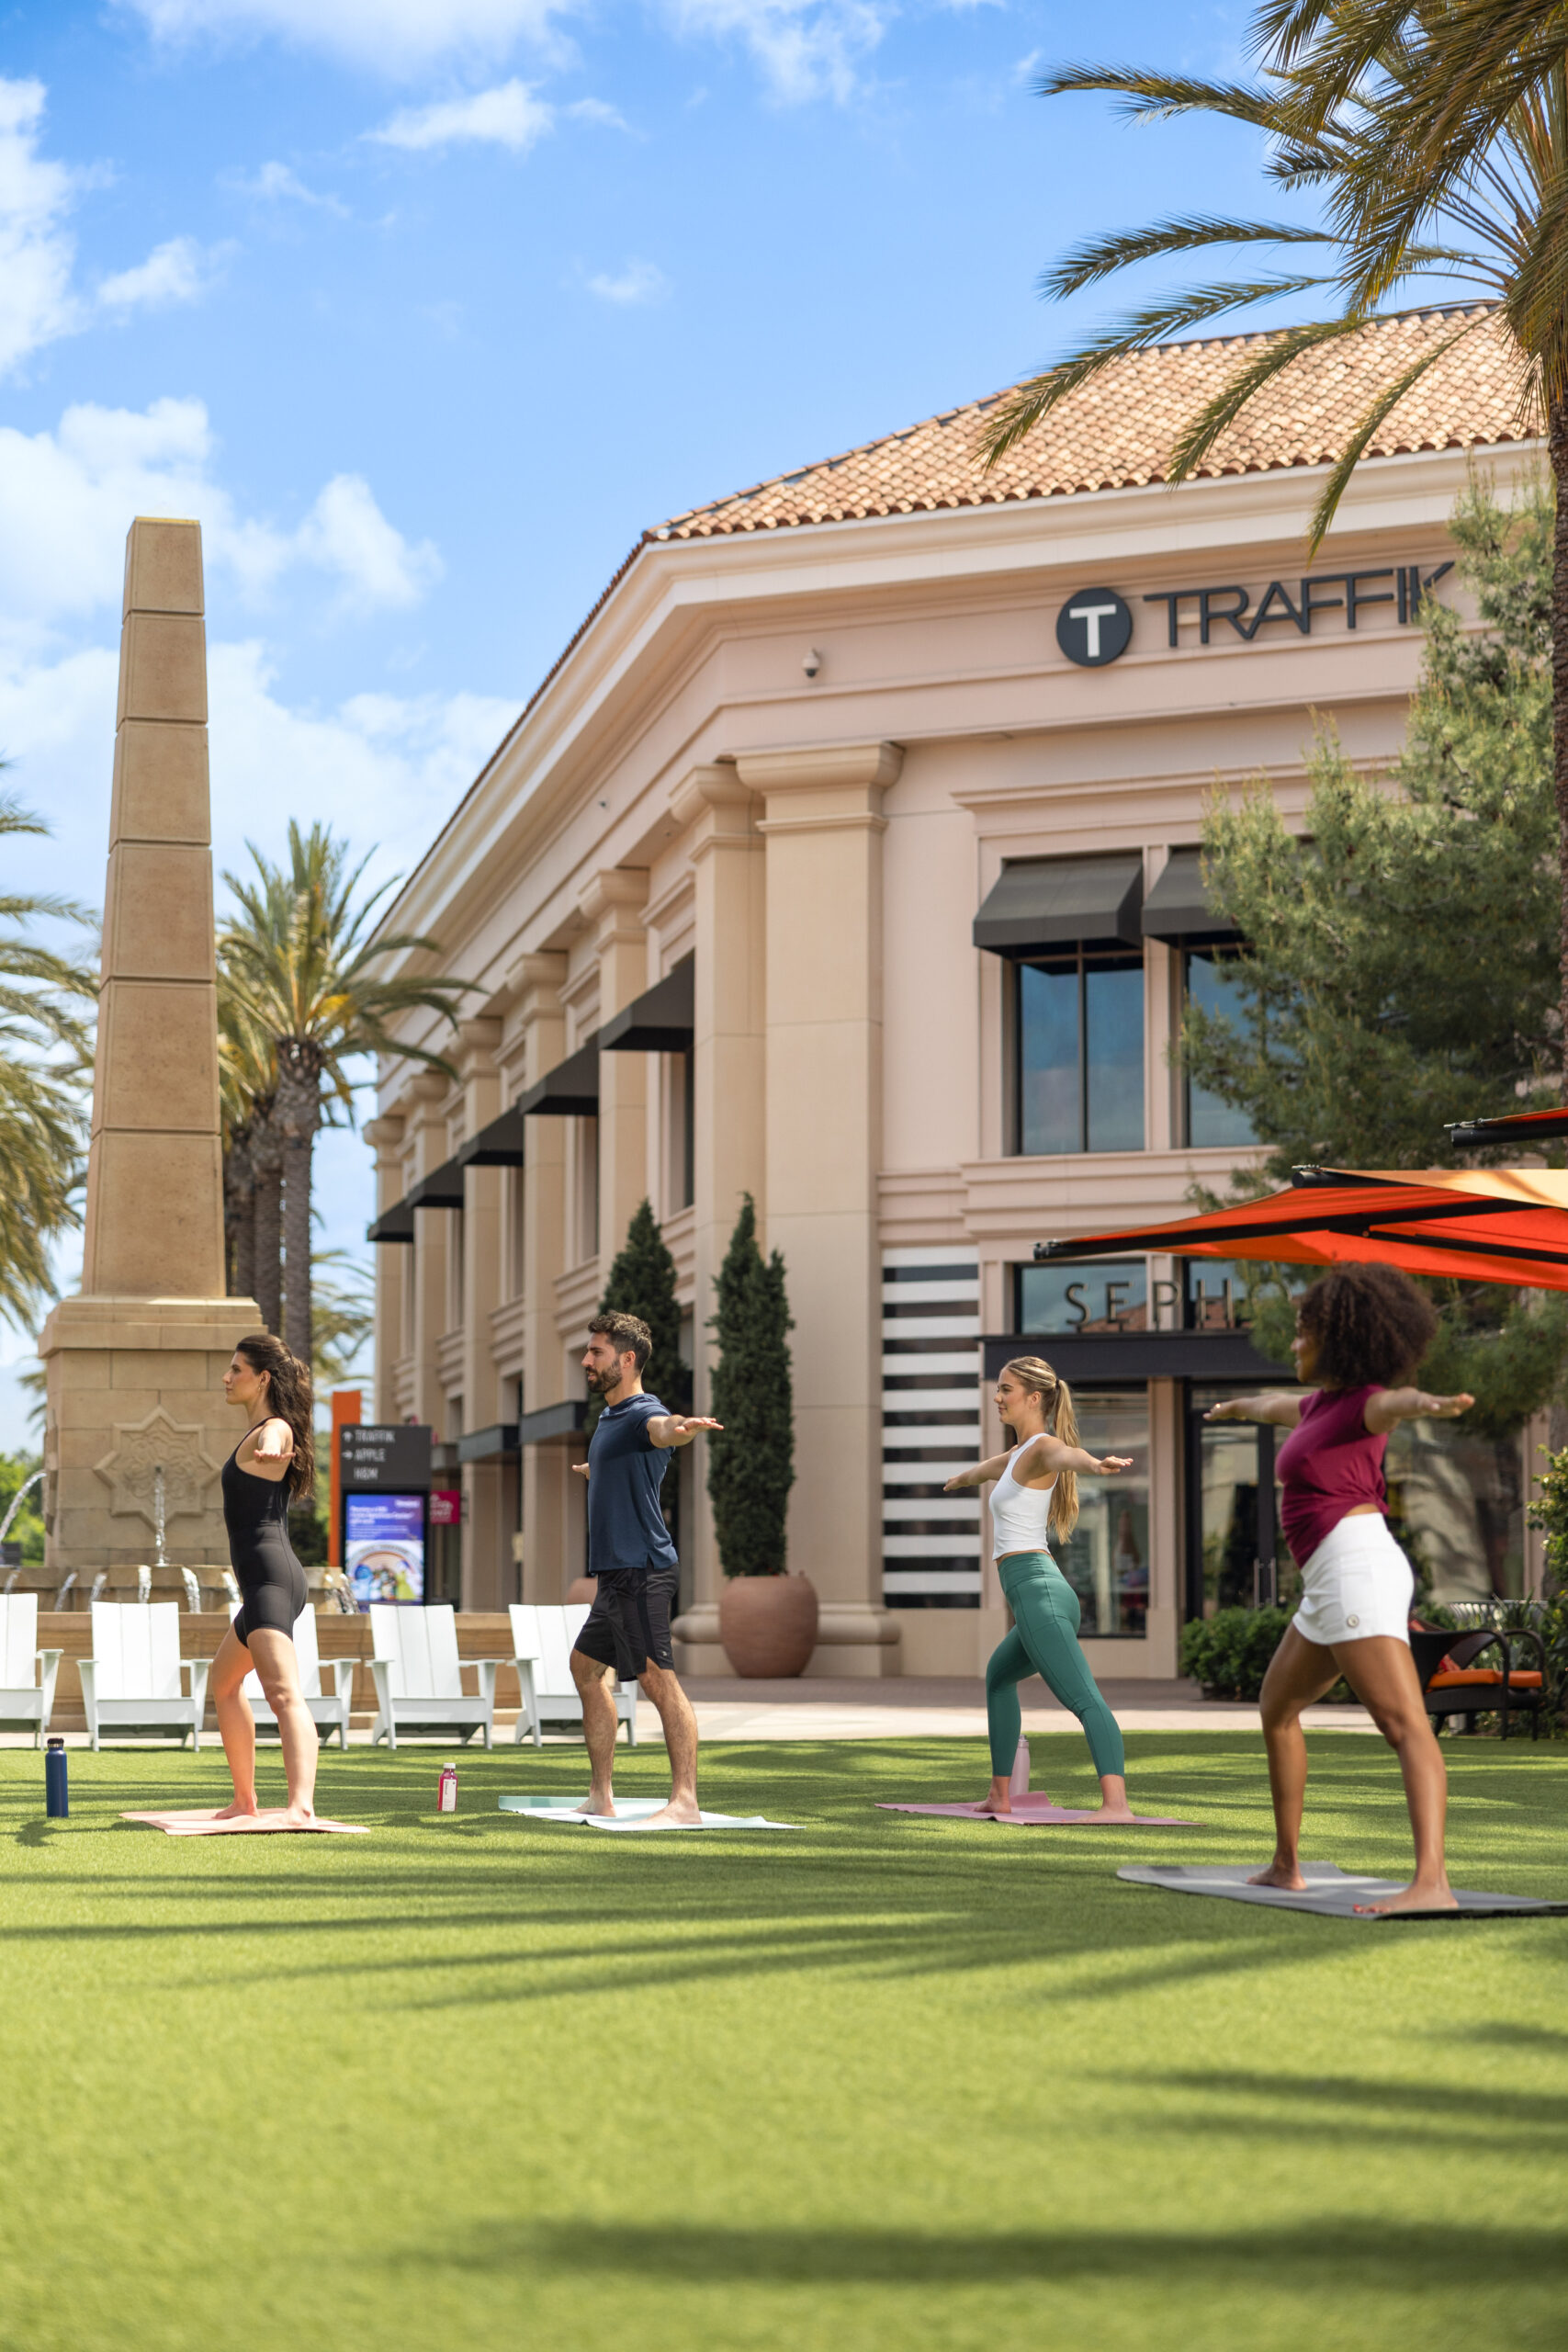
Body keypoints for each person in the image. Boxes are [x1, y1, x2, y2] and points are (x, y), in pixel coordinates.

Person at [1205, 1262, 1473, 1914]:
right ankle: (1285, 1863)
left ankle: (1431, 1884)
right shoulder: (1317, 1406)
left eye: (1303, 1333)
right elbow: (1272, 1404)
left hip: (1356, 1569)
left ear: (1339, 1337)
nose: (1294, 1344)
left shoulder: (1364, 1403)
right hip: (1327, 1582)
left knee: (1402, 1723)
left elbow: (1396, 1404)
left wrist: (1428, 1403)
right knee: (1276, 1707)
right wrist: (1236, 1407)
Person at [946, 1357, 1136, 1819]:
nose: (997, 1397)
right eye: (997, 1388)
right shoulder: (1015, 1457)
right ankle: (999, 1795)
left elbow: (1067, 1455)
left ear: (1034, 1398)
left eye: (1006, 1389)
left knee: (1084, 1699)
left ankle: (1117, 1805)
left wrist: (1096, 1463)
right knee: (998, 1678)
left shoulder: (1041, 1448)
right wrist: (958, 1479)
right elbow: (982, 1472)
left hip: (1039, 1595)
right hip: (1041, 1594)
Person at [569, 1311, 722, 1825]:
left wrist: (682, 1428)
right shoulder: (611, 1418)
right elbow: (634, 1460)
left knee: (659, 1679)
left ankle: (685, 1802)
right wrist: (600, 1471)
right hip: (616, 1573)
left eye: (597, 1352)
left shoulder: (640, 1410)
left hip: (642, 1568)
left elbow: (662, 1430)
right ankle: (600, 1795)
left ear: (626, 1359)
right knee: (586, 1669)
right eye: (589, 1352)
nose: (587, 1360)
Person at [208, 1333, 321, 1826]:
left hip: (272, 1581)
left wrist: (275, 1447)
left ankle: (301, 1804)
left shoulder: (273, 1429)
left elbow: (278, 1439)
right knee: (224, 1681)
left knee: (282, 1692)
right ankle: (245, 1801)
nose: (227, 1378)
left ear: (263, 1378)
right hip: (262, 1585)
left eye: (237, 1369)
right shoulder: (259, 1429)